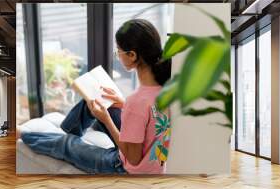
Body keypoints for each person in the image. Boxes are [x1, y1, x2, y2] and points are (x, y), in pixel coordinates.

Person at [20, 19, 172, 174]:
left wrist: (106, 120)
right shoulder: (167, 88)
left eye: (118, 51)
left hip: (125, 169)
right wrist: (123, 104)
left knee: (66, 144)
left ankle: (25, 134)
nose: (117, 55)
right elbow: (150, 117)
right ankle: (70, 129)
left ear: (132, 55)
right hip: (152, 166)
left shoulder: (137, 101)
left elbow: (133, 158)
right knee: (99, 99)